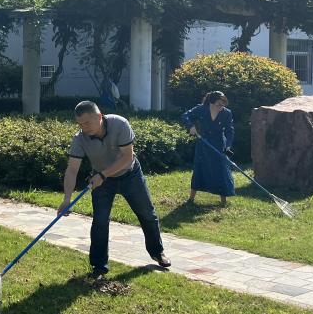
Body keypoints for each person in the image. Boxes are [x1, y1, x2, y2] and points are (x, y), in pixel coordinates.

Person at [59, 100, 171, 279]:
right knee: (100, 221)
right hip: (102, 180)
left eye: (87, 123)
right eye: (80, 124)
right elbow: (72, 169)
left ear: (99, 116)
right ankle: (99, 267)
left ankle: (157, 252)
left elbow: (127, 157)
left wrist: (103, 175)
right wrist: (66, 199)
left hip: (130, 175)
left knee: (147, 213)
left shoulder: (120, 124)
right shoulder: (79, 139)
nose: (84, 128)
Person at [180, 90, 235, 207]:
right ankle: (191, 199)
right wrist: (191, 126)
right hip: (203, 144)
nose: (221, 107)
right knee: (199, 169)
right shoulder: (201, 109)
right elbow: (185, 116)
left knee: (221, 170)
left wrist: (228, 146)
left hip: (219, 144)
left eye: (223, 105)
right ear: (211, 102)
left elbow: (230, 131)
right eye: (218, 104)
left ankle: (223, 202)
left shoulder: (227, 113)